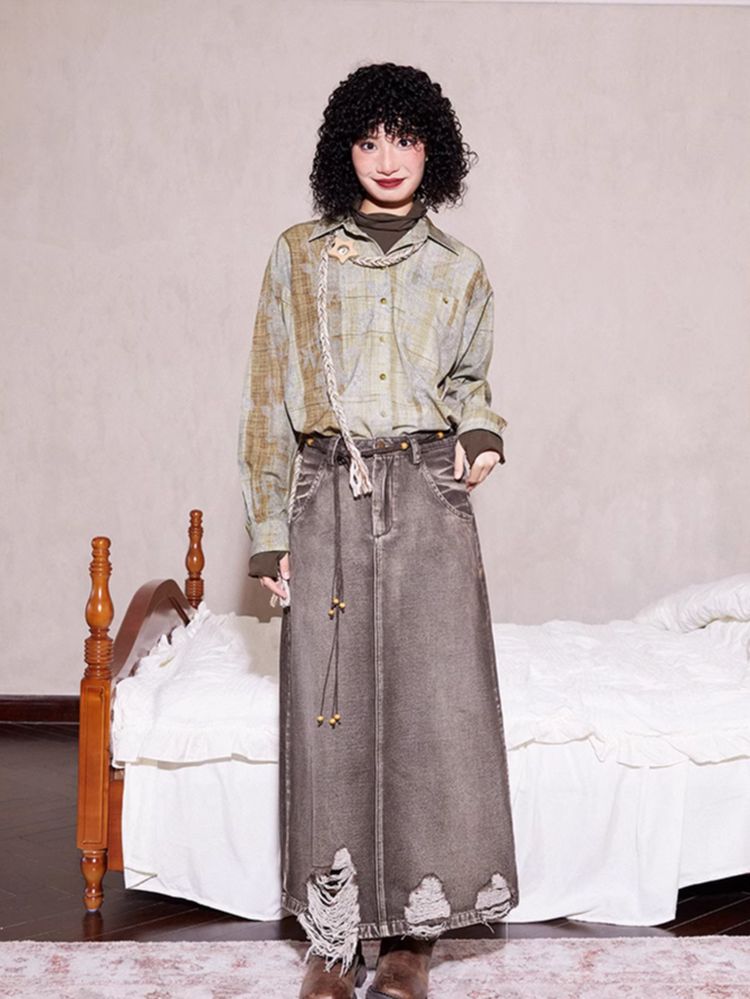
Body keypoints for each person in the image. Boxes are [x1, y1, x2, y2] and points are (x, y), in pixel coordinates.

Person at [238, 62, 519, 999]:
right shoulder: (299, 256)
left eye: (405, 138)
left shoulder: (460, 269)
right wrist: (269, 529)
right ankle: (332, 938)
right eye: (368, 140)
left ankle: (409, 940)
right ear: (343, 152)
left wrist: (481, 431)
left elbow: (471, 382)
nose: (387, 158)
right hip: (328, 486)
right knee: (331, 712)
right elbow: (268, 399)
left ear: (433, 148)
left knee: (434, 712)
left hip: (429, 490)